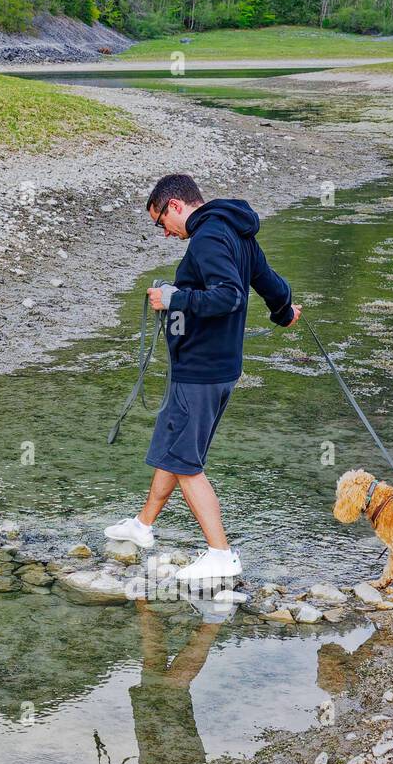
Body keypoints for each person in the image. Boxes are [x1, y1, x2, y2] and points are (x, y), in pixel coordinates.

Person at [105, 173, 301, 586]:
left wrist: (172, 297)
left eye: (160, 222)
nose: (163, 233)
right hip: (217, 367)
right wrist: (284, 311)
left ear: (174, 205)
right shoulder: (235, 229)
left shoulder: (209, 236)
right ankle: (143, 526)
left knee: (186, 463)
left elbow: (229, 295)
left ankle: (221, 554)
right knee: (172, 447)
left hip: (201, 370)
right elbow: (266, 280)